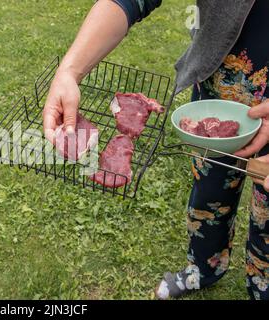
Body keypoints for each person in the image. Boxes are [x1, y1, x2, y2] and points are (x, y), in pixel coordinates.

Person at [42, 0, 269, 300]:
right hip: (219, 80)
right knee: (209, 187)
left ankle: (262, 287)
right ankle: (203, 266)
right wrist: (69, 71)